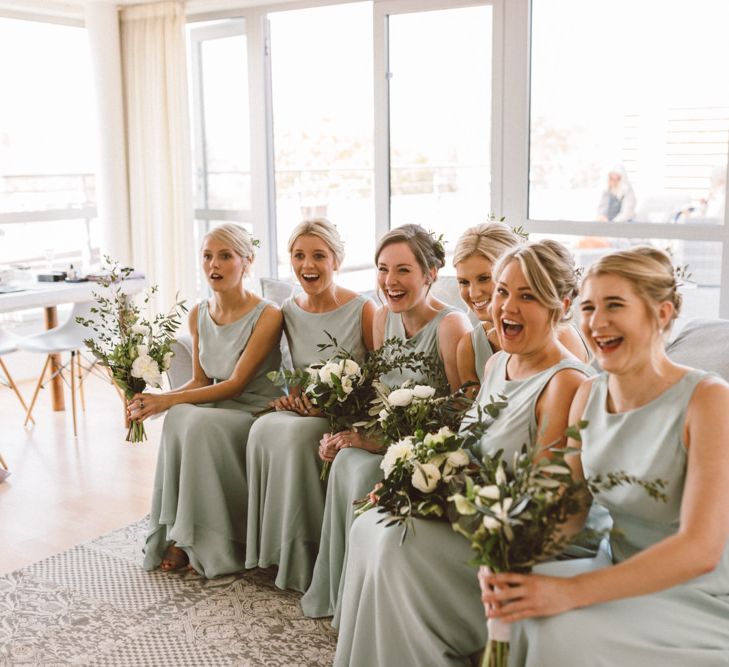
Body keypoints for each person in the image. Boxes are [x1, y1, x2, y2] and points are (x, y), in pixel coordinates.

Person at [334, 240, 595, 666]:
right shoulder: (495, 365)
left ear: (561, 303)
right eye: (503, 292)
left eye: (527, 296)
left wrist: (451, 504)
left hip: (520, 534)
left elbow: (547, 501)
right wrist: (411, 486)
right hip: (473, 508)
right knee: (371, 522)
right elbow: (468, 449)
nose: (506, 307)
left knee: (398, 544)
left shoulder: (566, 382)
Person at [481, 246, 729, 667]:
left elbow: (700, 549)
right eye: (589, 306)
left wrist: (572, 591)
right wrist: (512, 552)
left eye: (615, 305)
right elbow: (572, 510)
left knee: (562, 629)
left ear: (662, 314)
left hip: (701, 590)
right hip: (617, 564)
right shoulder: (587, 396)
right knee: (519, 597)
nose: (596, 322)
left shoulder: (709, 400)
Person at [300, 224, 470, 619]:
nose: (389, 281)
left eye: (403, 270)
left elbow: (463, 413)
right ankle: (343, 593)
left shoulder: (451, 326)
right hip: (386, 438)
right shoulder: (380, 319)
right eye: (382, 269)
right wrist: (345, 435)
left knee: (359, 471)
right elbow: (377, 397)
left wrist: (378, 444)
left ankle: (371, 607)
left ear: (429, 274)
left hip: (430, 452)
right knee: (343, 460)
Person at [131, 223, 284, 577]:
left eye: (225, 256)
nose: (214, 264)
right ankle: (179, 531)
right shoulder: (199, 312)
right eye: (207, 256)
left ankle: (201, 541)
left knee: (191, 418)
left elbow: (234, 384)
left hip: (257, 410)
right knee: (180, 416)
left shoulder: (268, 314)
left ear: (247, 262)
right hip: (221, 406)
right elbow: (201, 379)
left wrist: (165, 401)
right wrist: (156, 399)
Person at [244, 219, 375, 592]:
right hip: (305, 410)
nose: (308, 265)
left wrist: (332, 410)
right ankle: (276, 553)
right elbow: (293, 370)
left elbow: (378, 377)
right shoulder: (288, 309)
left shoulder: (363, 309)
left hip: (346, 413)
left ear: (337, 260)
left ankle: (308, 555)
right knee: (263, 427)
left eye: (319, 255)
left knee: (296, 436)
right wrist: (292, 394)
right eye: (299, 256)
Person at [454, 222, 589, 392]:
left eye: (484, 278)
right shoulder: (469, 347)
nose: (473, 293)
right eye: (464, 282)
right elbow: (472, 414)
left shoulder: (559, 335)